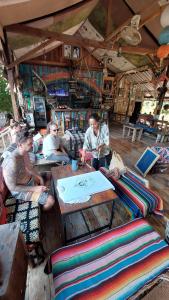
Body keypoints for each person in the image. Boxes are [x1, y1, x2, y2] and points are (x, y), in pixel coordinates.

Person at [2, 131, 55, 211]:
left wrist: (39, 178)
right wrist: (35, 188)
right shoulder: (12, 163)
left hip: (29, 180)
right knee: (51, 201)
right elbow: (12, 187)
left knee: (49, 174)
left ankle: (42, 195)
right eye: (29, 144)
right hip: (20, 190)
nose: (32, 145)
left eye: (32, 142)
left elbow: (29, 168)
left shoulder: (25, 152)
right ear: (20, 145)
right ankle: (43, 211)